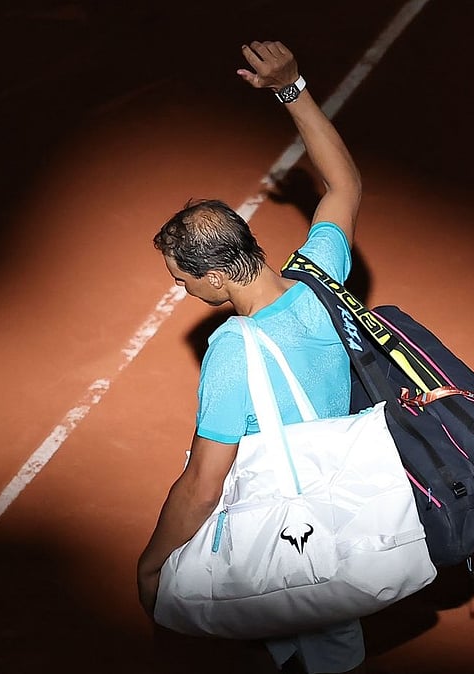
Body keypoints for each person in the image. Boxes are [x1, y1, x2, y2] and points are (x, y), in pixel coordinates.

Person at [136, 40, 367, 674]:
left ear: (215, 276)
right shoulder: (321, 274)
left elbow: (205, 481)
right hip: (342, 510)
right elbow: (342, 184)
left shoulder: (232, 350)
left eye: (183, 279)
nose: (182, 290)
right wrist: (293, 89)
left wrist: (152, 560)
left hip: (281, 534)